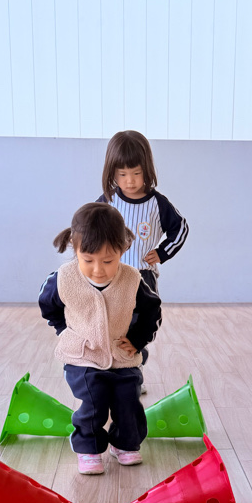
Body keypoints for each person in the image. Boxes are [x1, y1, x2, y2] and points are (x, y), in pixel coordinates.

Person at [39, 202, 161, 475]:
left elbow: (152, 310)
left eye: (108, 261)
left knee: (128, 401)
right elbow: (48, 306)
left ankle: (124, 444)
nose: (98, 269)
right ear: (75, 248)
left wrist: (137, 339)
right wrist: (64, 331)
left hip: (122, 356)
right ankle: (89, 448)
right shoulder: (63, 279)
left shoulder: (132, 279)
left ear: (123, 249)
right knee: (94, 401)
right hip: (83, 356)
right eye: (88, 260)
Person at [99, 130, 188, 392]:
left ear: (147, 169)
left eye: (136, 173)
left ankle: (134, 373)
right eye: (122, 174)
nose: (129, 181)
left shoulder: (157, 204)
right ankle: (111, 374)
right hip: (111, 277)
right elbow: (91, 228)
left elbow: (181, 229)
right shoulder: (108, 201)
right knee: (112, 327)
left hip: (143, 278)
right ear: (112, 173)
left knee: (139, 329)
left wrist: (162, 252)